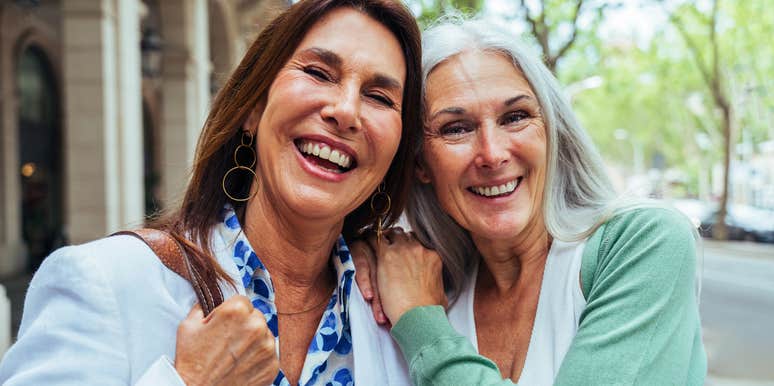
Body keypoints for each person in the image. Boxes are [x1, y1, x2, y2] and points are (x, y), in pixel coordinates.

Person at [0, 0, 422, 385]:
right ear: (253, 108)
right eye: (317, 73)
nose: (346, 111)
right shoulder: (103, 282)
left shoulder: (402, 315)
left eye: (379, 97)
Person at [353, 17, 707, 385]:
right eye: (456, 128)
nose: (492, 154)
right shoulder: (429, 282)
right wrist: (364, 251)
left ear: (550, 130)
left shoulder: (644, 241)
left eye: (515, 117)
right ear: (421, 163)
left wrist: (422, 324)